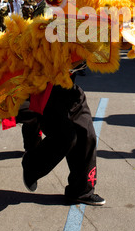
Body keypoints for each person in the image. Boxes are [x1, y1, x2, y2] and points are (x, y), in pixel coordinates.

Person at [20, 73, 106, 206]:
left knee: (86, 135)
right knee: (65, 138)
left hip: (69, 89)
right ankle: (31, 164)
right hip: (47, 91)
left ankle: (81, 191)